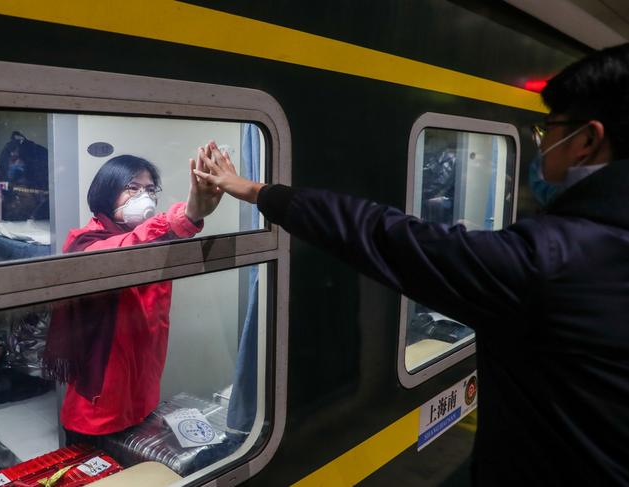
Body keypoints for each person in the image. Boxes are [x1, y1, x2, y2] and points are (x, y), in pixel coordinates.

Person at [195, 43, 629, 485]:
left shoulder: (552, 261)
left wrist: (259, 192)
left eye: (548, 131)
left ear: (587, 142)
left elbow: (385, 236)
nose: (543, 146)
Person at [43, 153, 222, 442]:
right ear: (107, 192)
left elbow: (163, 240)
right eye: (132, 187)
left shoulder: (153, 242)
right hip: (97, 411)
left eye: (150, 189)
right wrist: (185, 215)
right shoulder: (84, 242)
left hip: (143, 396)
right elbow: (118, 254)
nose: (145, 196)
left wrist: (193, 216)